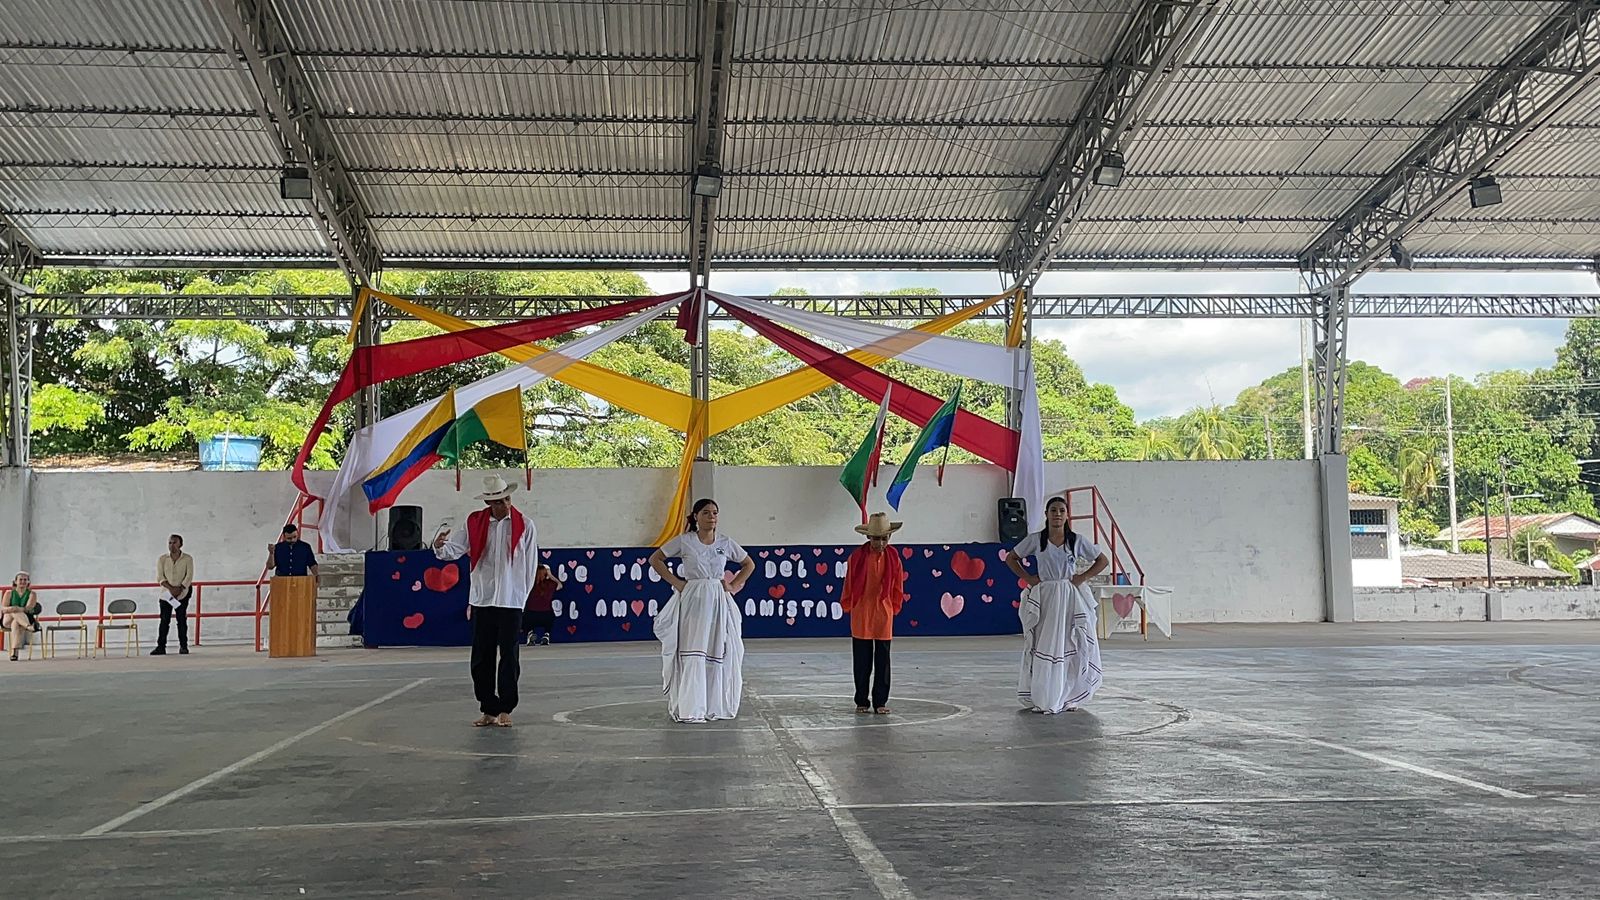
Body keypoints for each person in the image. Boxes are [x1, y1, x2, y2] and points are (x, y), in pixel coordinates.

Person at [434, 474, 539, 728]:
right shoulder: (474, 523)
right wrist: (439, 546)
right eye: (499, 501)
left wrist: (521, 598)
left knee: (509, 656)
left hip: (511, 599)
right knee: (482, 656)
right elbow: (454, 550)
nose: (505, 504)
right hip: (482, 597)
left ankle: (506, 708)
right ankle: (488, 708)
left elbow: (530, 564)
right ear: (490, 503)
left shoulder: (525, 524)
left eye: (506, 499)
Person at [649, 498, 754, 724]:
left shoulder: (725, 543)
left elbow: (749, 564)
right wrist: (677, 583)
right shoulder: (685, 541)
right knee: (693, 649)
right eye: (706, 512)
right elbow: (655, 559)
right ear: (696, 516)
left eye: (715, 512)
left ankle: (713, 706)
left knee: (717, 649)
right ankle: (691, 707)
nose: (711, 517)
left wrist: (733, 586)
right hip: (693, 597)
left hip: (718, 598)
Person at [1006, 495, 1110, 714]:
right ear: (1046, 514)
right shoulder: (1036, 540)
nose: (1058, 514)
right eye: (1053, 510)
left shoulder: (1076, 541)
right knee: (1045, 643)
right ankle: (1044, 695)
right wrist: (1029, 578)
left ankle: (1069, 695)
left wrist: (1082, 577)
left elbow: (1102, 560)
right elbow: (1011, 558)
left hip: (1070, 596)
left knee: (1070, 642)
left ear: (1067, 515)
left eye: (1062, 510)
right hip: (1046, 596)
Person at [840, 512, 907, 715]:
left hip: (883, 613)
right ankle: (861, 699)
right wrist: (849, 603)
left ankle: (880, 701)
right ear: (868, 537)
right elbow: (849, 584)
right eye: (876, 538)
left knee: (883, 660)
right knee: (862, 660)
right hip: (861, 612)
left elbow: (897, 586)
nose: (880, 543)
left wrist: (893, 607)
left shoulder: (894, 558)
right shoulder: (857, 557)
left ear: (889, 538)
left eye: (884, 538)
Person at [153, 534, 194, 656]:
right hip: (166, 594)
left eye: (174, 543)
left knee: (181, 620)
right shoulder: (162, 559)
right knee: (164, 620)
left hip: (183, 593)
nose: (172, 545)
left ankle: (183, 646)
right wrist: (171, 589)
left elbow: (189, 576)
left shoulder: (187, 559)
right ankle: (161, 646)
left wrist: (180, 588)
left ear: (180, 544)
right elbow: (160, 577)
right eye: (170, 543)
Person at [4, 571, 42, 662]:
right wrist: (14, 609)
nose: (23, 582)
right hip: (7, 619)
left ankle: (14, 653)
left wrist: (16, 608)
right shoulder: (9, 593)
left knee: (16, 623)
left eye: (25, 580)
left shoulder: (32, 594)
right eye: (20, 579)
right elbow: (3, 608)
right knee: (14, 612)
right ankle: (29, 627)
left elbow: (28, 608)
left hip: (24, 618)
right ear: (15, 581)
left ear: (28, 582)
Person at [523, 564, 558, 646]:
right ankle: (546, 634)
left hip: (531, 615)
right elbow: (559, 585)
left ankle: (530, 632)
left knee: (524, 615)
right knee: (551, 615)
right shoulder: (549, 584)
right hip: (546, 616)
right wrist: (550, 575)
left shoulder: (529, 585)